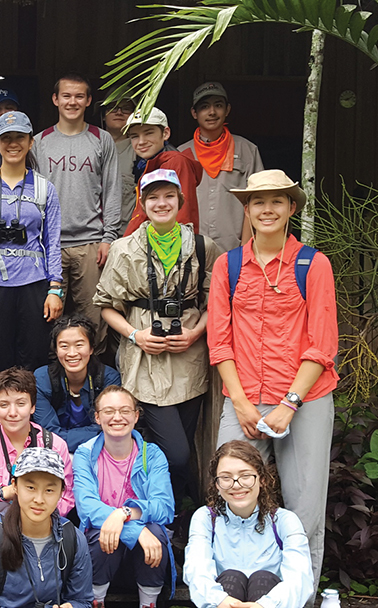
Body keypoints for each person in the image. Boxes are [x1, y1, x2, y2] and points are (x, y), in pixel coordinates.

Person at [207, 169, 338, 589]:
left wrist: (289, 404)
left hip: (305, 401)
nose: (267, 209)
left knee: (304, 510)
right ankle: (237, 590)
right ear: (246, 209)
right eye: (258, 202)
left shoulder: (313, 265)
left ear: (291, 208)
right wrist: (242, 404)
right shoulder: (227, 265)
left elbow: (322, 344)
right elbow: (219, 343)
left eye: (277, 201)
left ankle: (299, 596)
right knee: (231, 494)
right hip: (243, 398)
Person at [97, 169, 221, 507]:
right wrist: (136, 335)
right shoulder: (125, 249)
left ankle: (176, 515)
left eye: (168, 196)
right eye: (153, 197)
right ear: (143, 203)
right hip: (144, 361)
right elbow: (107, 307)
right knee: (176, 454)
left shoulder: (201, 246)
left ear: (180, 201)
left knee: (186, 443)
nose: (161, 203)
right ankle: (163, 506)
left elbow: (217, 303)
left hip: (189, 360)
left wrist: (196, 333)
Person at [0, 111, 63, 377]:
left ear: (31, 141)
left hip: (34, 283)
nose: (13, 143)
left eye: (19, 137)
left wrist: (55, 289)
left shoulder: (45, 188)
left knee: (34, 354)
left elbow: (52, 241)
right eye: (6, 138)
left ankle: (32, 409)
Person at [32, 73, 122, 355]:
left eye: (79, 96)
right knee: (47, 319)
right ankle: (54, 385)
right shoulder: (39, 142)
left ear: (89, 101)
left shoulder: (101, 139)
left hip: (91, 245)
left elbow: (112, 191)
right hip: (50, 247)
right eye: (67, 96)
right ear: (55, 100)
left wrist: (109, 238)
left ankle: (94, 385)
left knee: (93, 320)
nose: (73, 102)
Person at [72, 387, 175, 608]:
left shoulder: (153, 454)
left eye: (125, 410)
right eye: (109, 411)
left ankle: (149, 604)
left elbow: (164, 507)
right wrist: (134, 528)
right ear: (97, 417)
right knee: (107, 530)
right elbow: (87, 507)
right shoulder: (85, 454)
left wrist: (124, 512)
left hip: (146, 556)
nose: (117, 417)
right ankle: (95, 601)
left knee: (156, 531)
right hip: (102, 555)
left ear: (136, 416)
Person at [184, 440, 314, 608]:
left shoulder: (284, 520)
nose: (236, 484)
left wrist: (263, 605)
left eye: (245, 476)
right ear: (217, 484)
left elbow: (299, 576)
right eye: (226, 477)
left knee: (263, 579)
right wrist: (220, 600)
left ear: (262, 480)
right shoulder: (205, 518)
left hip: (271, 603)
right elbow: (197, 569)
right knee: (232, 578)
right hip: (223, 603)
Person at [0, 447, 94, 608]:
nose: (39, 499)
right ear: (15, 486)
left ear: (61, 493)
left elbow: (82, 600)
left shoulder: (73, 538)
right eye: (30, 488)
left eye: (50, 490)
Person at [0, 367, 75, 541]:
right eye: (4, 405)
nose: (12, 413)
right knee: (0, 511)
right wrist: (4, 493)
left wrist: (32, 509)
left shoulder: (54, 444)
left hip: (42, 532)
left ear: (33, 407)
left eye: (21, 404)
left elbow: (66, 498)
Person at [177, 82, 265, 251]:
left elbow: (257, 199)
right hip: (191, 248)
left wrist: (245, 248)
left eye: (218, 105)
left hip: (234, 247)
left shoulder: (247, 150)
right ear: (194, 113)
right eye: (204, 107)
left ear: (227, 110)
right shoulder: (182, 153)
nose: (212, 112)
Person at [33, 315, 122, 451]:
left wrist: (62, 439)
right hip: (54, 452)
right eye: (64, 346)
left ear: (91, 348)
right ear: (56, 350)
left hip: (101, 450)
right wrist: (97, 435)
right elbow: (47, 433)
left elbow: (111, 426)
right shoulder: (42, 378)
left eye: (79, 345)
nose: (72, 353)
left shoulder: (109, 379)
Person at [121, 108, 202, 237]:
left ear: (165, 133)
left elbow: (182, 214)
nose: (141, 141)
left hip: (165, 248)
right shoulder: (150, 163)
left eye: (148, 133)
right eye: (134, 136)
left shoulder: (175, 163)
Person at [100, 98, 139, 227]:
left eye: (126, 108)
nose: (119, 112)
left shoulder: (141, 151)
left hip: (127, 234)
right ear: (103, 115)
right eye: (112, 107)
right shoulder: (89, 146)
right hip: (91, 236)